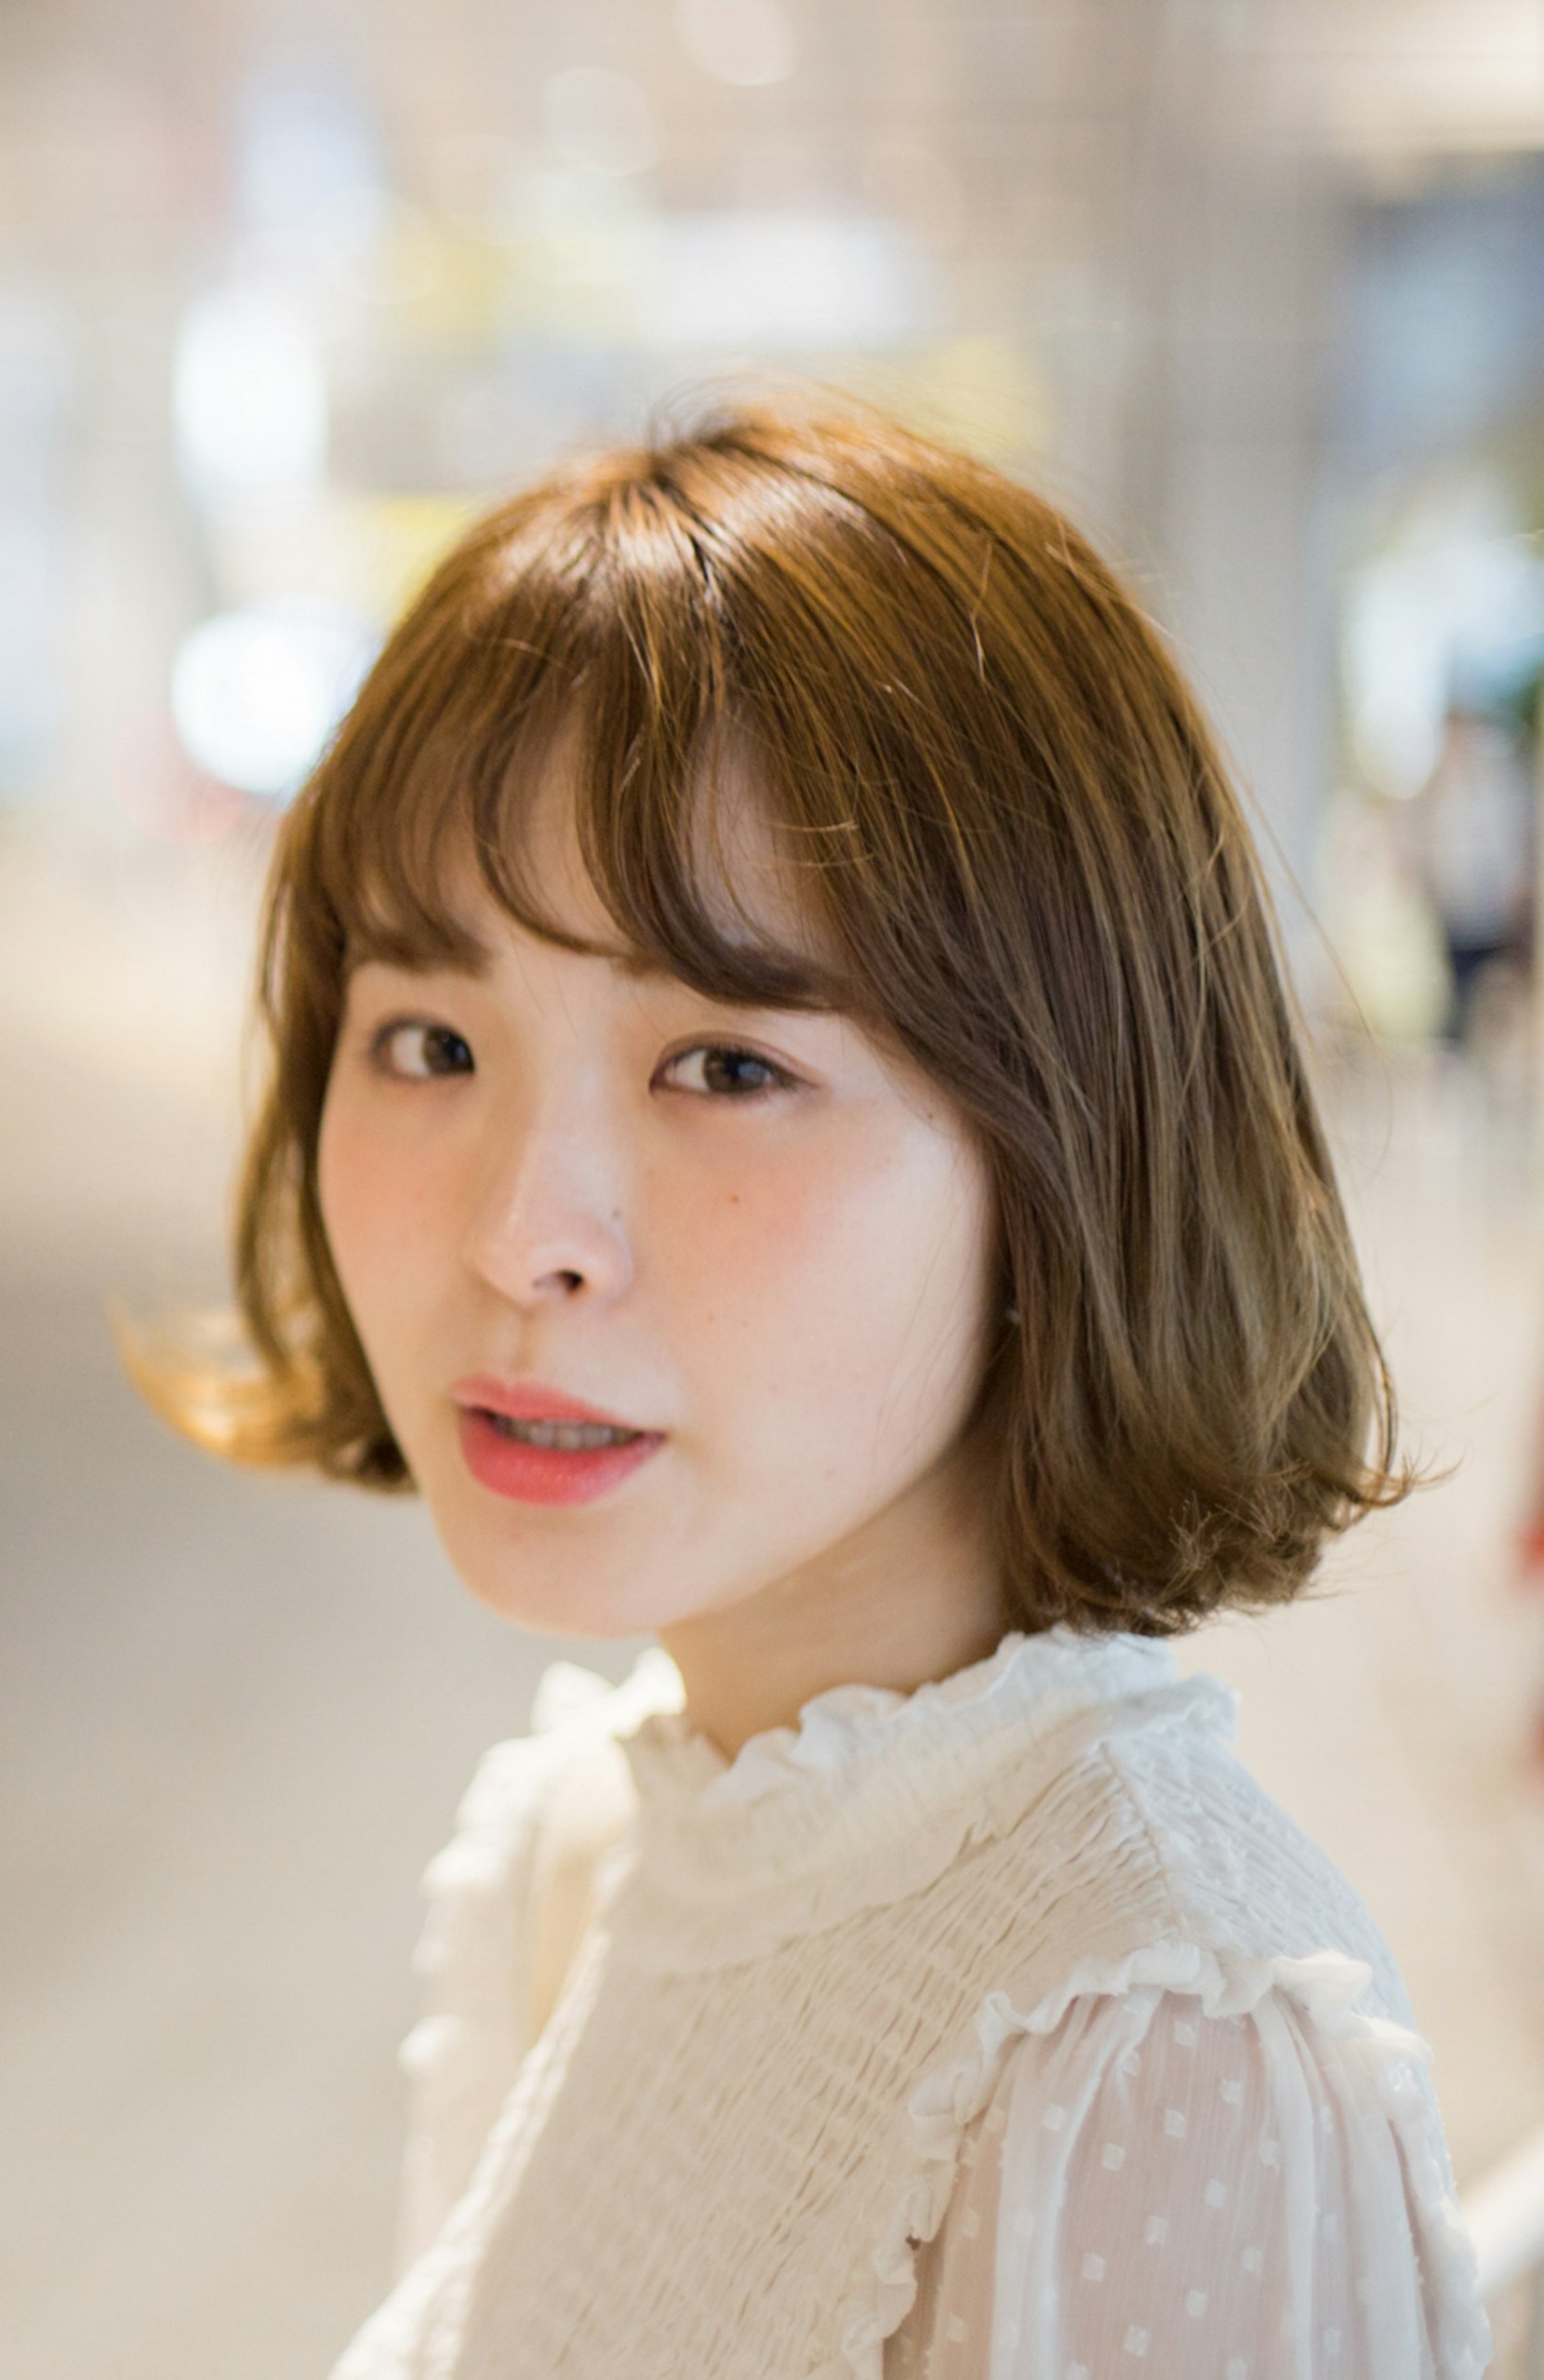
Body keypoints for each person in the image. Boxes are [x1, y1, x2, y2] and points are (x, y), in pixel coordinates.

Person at [143, 401, 1489, 2376]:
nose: (527, 1233)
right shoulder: (582, 1845)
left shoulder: (1153, 2048)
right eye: (431, 1039)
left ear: (1069, 1143)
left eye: (727, 1066)